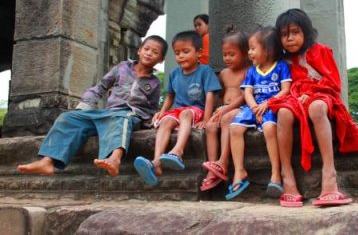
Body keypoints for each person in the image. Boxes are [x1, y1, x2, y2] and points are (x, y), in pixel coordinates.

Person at [16, 35, 167, 177]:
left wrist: (152, 120)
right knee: (68, 118)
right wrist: (86, 105)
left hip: (130, 114)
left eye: (155, 52)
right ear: (139, 50)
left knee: (122, 117)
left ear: (161, 59)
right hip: (108, 112)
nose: (149, 53)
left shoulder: (154, 83)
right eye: (146, 49)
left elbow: (151, 108)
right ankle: (47, 161)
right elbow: (100, 87)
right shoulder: (122, 67)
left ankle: (114, 159)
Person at [269, 8, 358, 207]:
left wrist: (311, 91)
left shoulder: (320, 51)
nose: (289, 38)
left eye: (295, 32)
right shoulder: (281, 62)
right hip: (293, 100)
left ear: (306, 32)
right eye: (284, 34)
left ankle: (329, 174)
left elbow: (334, 84)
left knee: (317, 108)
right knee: (284, 113)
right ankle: (287, 175)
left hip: (321, 95)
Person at [133, 30, 221, 186]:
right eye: (177, 53)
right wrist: (162, 112)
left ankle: (178, 151)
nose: (181, 56)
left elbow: (210, 96)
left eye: (186, 52)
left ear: (199, 53)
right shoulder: (174, 73)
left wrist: (207, 119)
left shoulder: (205, 71)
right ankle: (156, 162)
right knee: (166, 121)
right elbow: (170, 97)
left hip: (195, 110)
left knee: (186, 113)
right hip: (177, 110)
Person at [225, 26, 292, 200]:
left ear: (268, 50)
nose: (250, 53)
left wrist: (269, 103)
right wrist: (254, 107)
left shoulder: (281, 67)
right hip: (253, 106)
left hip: (271, 106)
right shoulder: (252, 71)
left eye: (253, 48)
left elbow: (286, 89)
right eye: (249, 48)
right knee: (234, 128)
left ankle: (276, 173)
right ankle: (239, 171)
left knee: (270, 128)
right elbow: (247, 92)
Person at [200, 25, 250, 191]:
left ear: (244, 53)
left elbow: (245, 96)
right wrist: (218, 109)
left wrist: (226, 109)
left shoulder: (248, 71)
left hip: (239, 108)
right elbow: (221, 95)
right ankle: (213, 167)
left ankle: (223, 161)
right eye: (224, 54)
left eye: (232, 54)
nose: (227, 58)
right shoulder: (223, 73)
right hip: (225, 108)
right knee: (211, 126)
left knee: (228, 118)